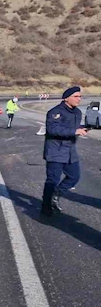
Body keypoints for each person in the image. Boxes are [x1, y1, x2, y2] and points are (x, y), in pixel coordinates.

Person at [41, 86, 87, 216]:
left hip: (70, 152)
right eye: (76, 96)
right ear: (67, 98)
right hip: (55, 151)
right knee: (52, 180)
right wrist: (74, 131)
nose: (79, 99)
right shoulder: (55, 112)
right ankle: (46, 207)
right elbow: (53, 130)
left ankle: (56, 194)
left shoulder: (77, 112)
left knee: (74, 177)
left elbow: (75, 127)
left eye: (80, 96)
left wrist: (85, 128)